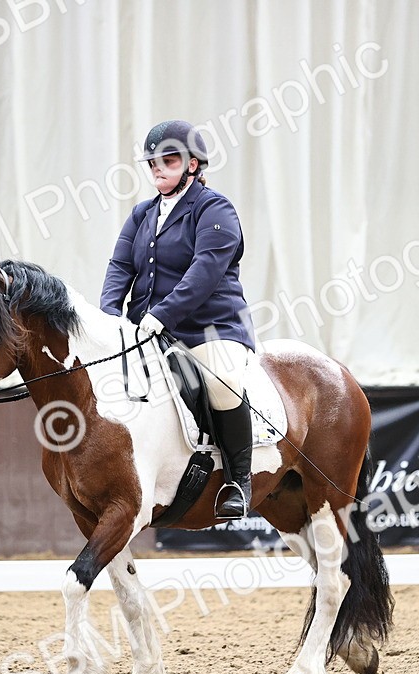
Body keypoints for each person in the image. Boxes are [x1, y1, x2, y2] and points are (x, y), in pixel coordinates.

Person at [100, 119, 255, 519]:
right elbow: (120, 266)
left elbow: (205, 271)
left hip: (211, 327)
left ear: (192, 164)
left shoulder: (214, 209)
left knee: (223, 382)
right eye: (152, 162)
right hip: (148, 330)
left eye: (168, 160)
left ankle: (239, 480)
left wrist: (160, 314)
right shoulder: (141, 214)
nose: (158, 169)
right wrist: (108, 318)